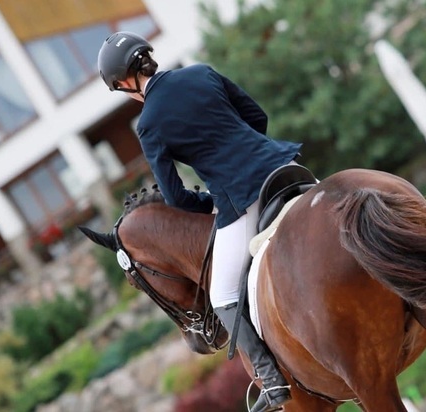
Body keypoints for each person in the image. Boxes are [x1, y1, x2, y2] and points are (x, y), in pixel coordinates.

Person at [98, 31, 302, 412]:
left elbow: (174, 198)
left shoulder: (148, 124)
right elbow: (257, 116)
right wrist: (252, 156)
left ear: (125, 82)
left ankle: (272, 382)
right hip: (286, 167)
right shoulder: (201, 72)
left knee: (223, 294)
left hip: (243, 200)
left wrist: (212, 198)